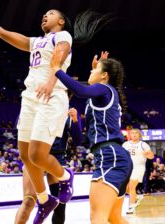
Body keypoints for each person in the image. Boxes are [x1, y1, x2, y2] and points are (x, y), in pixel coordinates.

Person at [0, 2, 112, 223]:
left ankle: (65, 176)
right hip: (30, 97)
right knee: (26, 156)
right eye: (43, 13)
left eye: (50, 13)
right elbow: (4, 34)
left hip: (51, 96)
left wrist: (51, 82)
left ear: (61, 21)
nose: (44, 15)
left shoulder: (62, 36)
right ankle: (45, 200)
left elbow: (58, 60)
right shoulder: (36, 42)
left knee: (36, 155)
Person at [50, 51, 132, 224]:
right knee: (114, 217)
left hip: (109, 156)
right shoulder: (104, 95)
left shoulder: (104, 89)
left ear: (104, 76)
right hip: (116, 156)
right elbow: (81, 141)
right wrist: (75, 123)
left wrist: (57, 69)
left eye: (94, 71)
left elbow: (80, 90)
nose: (90, 72)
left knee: (97, 218)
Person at [15, 107, 82, 224]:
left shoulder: (68, 114)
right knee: (28, 201)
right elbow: (21, 128)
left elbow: (78, 140)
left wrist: (75, 120)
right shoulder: (34, 105)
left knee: (60, 206)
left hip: (56, 159)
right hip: (35, 156)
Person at [122, 128, 154, 214]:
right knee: (125, 188)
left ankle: (131, 206)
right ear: (130, 135)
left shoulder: (143, 144)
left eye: (136, 133)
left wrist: (148, 154)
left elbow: (151, 156)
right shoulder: (125, 144)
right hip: (127, 167)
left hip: (138, 167)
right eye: (132, 133)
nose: (134, 134)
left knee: (132, 186)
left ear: (139, 135)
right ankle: (137, 197)